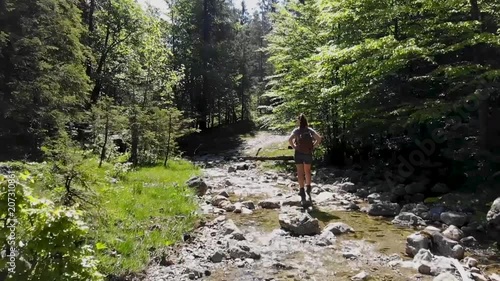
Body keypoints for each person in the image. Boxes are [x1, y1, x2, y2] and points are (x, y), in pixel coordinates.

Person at [288, 113, 322, 207]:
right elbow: (318, 139)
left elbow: (290, 140)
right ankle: (308, 189)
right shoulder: (309, 130)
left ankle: (301, 190)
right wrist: (313, 146)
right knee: (307, 171)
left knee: (300, 172)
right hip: (308, 152)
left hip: (298, 153)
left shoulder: (296, 130)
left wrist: (295, 147)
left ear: (299, 121)